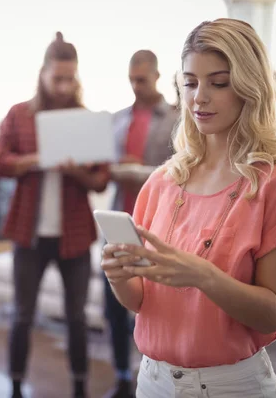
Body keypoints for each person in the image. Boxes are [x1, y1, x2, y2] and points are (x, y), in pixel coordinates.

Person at [101, 18, 276, 398]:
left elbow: (272, 312)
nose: (199, 97)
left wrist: (203, 276)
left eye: (218, 83)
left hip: (230, 388)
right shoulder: (163, 181)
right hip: (152, 382)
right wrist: (118, 275)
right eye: (190, 82)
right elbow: (141, 301)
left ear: (251, 87)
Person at [0, 32, 110, 398]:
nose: (63, 85)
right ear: (42, 73)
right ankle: (14, 387)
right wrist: (35, 160)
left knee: (76, 318)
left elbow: (100, 178)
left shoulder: (86, 120)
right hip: (28, 232)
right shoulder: (19, 115)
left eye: (69, 77)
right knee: (22, 315)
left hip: (73, 233)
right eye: (57, 77)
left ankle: (78, 388)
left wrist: (73, 169)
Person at [103, 50, 180, 398]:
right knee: (113, 306)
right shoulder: (118, 119)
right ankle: (122, 376)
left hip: (160, 226)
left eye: (142, 80)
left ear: (156, 76)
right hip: (121, 218)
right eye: (131, 80)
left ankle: (156, 374)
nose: (136, 87)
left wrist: (139, 169)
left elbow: (181, 172)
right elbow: (105, 167)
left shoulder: (176, 118)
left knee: (155, 305)